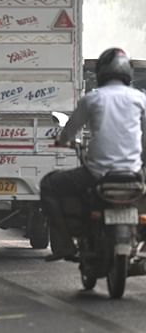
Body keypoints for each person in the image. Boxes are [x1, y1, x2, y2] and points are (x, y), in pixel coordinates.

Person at [41, 47, 146, 261]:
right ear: (128, 73)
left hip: (97, 174)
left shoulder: (93, 99)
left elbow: (70, 130)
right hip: (134, 173)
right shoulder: (140, 99)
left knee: (49, 184)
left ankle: (64, 247)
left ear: (101, 72)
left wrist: (63, 141)